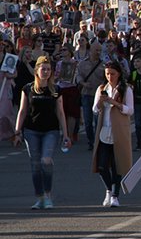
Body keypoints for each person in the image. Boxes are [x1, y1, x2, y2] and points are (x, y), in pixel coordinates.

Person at [13, 55, 70, 209]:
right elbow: (22, 111)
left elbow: (60, 112)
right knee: (35, 164)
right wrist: (17, 132)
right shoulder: (28, 88)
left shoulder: (56, 90)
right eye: (43, 69)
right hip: (31, 130)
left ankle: (48, 195)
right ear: (36, 70)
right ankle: (39, 198)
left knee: (46, 160)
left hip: (50, 130)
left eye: (48, 69)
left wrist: (66, 135)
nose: (46, 72)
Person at [91, 61, 135, 208]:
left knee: (117, 164)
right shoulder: (102, 89)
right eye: (107, 74)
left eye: (113, 74)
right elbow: (95, 110)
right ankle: (109, 189)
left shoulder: (126, 89)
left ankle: (116, 195)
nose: (110, 77)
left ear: (119, 74)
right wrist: (101, 103)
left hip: (119, 129)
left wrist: (114, 103)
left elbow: (130, 110)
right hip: (104, 129)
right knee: (102, 165)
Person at [76, 43, 105, 149]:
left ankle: (98, 141)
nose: (98, 53)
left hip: (98, 96)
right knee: (88, 121)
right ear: (91, 50)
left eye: (100, 51)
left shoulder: (103, 64)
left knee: (98, 121)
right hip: (86, 95)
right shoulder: (83, 64)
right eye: (96, 50)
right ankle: (90, 141)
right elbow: (78, 76)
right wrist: (83, 83)